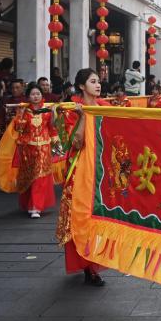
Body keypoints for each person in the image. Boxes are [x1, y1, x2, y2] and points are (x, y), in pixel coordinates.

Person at [55, 68, 110, 286]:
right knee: (80, 216)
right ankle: (88, 266)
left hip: (101, 170)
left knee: (98, 217)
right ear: (81, 86)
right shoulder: (71, 111)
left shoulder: (105, 108)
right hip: (79, 171)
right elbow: (74, 144)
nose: (98, 85)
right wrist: (82, 117)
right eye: (93, 81)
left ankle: (94, 261)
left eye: (99, 81)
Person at [12, 83, 58, 218]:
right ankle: (30, 203)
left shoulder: (47, 110)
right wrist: (19, 116)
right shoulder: (25, 111)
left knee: (41, 177)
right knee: (30, 177)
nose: (36, 96)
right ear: (28, 97)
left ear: (42, 95)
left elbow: (52, 127)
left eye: (38, 94)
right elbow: (19, 129)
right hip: (28, 149)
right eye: (33, 94)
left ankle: (35, 207)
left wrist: (56, 142)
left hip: (44, 148)